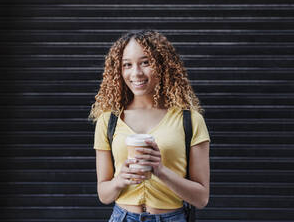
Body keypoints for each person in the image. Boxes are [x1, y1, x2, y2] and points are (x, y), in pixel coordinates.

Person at [89, 29, 211, 222]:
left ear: (162, 65)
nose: (136, 72)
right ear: (118, 71)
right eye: (127, 65)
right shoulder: (108, 120)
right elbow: (104, 195)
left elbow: (202, 198)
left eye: (145, 62)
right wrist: (120, 180)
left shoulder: (190, 120)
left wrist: (160, 171)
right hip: (123, 217)